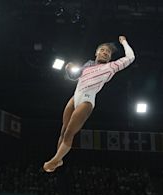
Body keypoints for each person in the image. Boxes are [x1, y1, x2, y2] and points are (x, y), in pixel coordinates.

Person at [43, 35, 135, 172]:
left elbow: (130, 58)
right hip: (75, 97)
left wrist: (124, 42)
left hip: (87, 100)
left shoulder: (111, 67)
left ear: (109, 58)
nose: (105, 52)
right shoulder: (87, 65)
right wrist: (68, 70)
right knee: (63, 130)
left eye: (108, 52)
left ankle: (55, 160)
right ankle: (59, 160)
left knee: (69, 133)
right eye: (103, 50)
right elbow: (73, 77)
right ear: (96, 53)